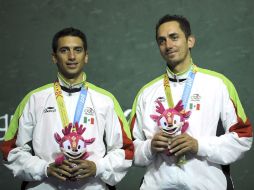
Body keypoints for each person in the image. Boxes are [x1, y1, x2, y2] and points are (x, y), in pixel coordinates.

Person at [0, 27, 134, 190]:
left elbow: (124, 150)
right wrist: (44, 169)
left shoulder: (105, 100)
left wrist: (97, 167)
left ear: (86, 57)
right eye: (64, 50)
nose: (71, 56)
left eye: (77, 50)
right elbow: (11, 150)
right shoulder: (35, 99)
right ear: (54, 57)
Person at [129, 14, 253, 190]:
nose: (168, 45)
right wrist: (149, 147)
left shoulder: (218, 84)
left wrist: (198, 145)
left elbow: (243, 138)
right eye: (162, 41)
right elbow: (127, 150)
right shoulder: (146, 93)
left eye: (174, 37)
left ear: (190, 41)